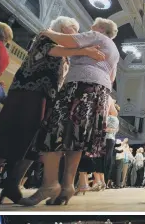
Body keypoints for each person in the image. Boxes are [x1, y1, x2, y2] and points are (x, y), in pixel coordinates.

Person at [0, 17, 104, 205]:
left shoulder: (66, 51)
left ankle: (12, 184)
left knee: (34, 143)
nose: (77, 32)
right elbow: (51, 51)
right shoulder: (46, 36)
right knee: (6, 137)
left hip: (45, 97)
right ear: (62, 27)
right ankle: (8, 182)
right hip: (27, 93)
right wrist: (84, 50)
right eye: (74, 28)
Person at [20, 17, 119, 206]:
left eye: (93, 26)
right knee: (76, 138)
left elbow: (68, 41)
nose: (90, 28)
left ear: (101, 28)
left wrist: (47, 31)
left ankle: (49, 184)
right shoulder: (113, 49)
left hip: (80, 85)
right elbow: (112, 77)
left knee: (54, 131)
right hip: (99, 91)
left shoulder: (96, 36)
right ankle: (67, 186)